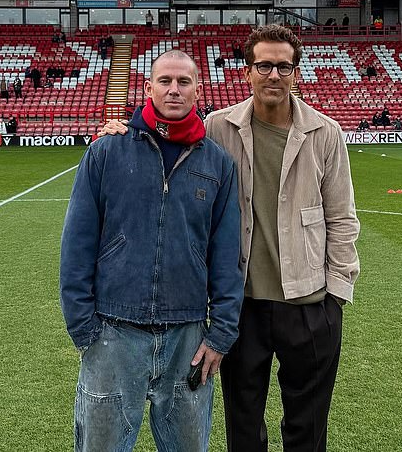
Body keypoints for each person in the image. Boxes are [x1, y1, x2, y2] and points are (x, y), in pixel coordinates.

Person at [101, 25, 360, 452]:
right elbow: (170, 140)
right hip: (243, 308)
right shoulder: (219, 127)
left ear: (296, 73)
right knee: (243, 428)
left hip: (310, 305)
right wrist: (124, 134)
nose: (273, 75)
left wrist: (335, 296)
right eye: (264, 65)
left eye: (283, 66)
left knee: (308, 429)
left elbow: (342, 219)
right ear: (247, 72)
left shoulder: (325, 133)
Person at [61, 49, 243, 452]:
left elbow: (227, 255)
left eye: (183, 82)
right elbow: (77, 243)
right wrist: (84, 327)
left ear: (198, 90)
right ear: (148, 88)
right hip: (112, 330)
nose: (174, 90)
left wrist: (221, 335)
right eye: (165, 81)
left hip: (188, 337)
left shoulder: (217, 164)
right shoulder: (107, 152)